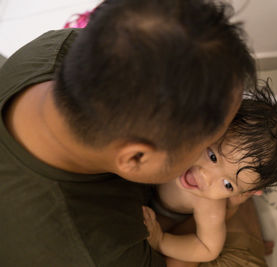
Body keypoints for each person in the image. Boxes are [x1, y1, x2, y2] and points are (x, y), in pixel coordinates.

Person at [0, 0, 259, 266]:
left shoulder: (55, 47)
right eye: (211, 145)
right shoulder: (98, 250)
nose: (219, 146)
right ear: (136, 158)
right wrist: (227, 209)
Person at [143, 84, 277, 264]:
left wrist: (162, 241)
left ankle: (242, 230)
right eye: (212, 156)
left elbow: (207, 248)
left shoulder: (210, 207)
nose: (206, 176)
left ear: (242, 193)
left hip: (169, 219)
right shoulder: (180, 141)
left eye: (228, 185)